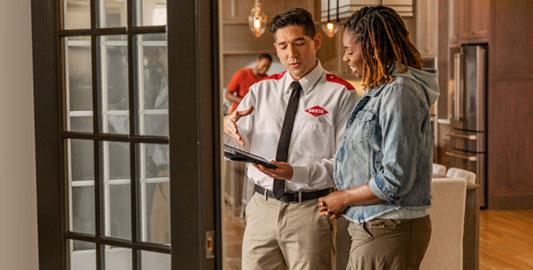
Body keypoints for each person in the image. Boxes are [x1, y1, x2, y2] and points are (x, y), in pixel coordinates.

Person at [223, 8, 358, 270]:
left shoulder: (341, 94)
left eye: (299, 43)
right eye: (283, 46)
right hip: (261, 207)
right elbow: (234, 144)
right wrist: (227, 125)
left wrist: (295, 172)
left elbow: (346, 165)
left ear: (316, 42)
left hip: (310, 211)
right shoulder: (260, 91)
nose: (291, 54)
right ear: (275, 47)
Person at [317, 6, 439, 270]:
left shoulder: (400, 92)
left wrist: (345, 197)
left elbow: (396, 179)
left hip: (389, 227)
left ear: (372, 47)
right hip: (378, 226)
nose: (346, 58)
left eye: (350, 50)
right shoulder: (383, 91)